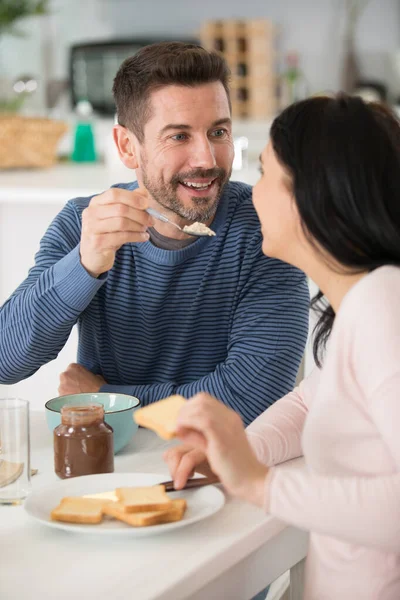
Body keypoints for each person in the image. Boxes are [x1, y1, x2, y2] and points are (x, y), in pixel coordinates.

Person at [164, 94, 400, 600]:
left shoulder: (385, 306)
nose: (251, 195)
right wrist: (235, 455)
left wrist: (259, 485)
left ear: (311, 193)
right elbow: (310, 401)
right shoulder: (365, 303)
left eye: (266, 173)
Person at [0, 42, 309, 427]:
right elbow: (6, 361)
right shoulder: (83, 223)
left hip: (223, 463)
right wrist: (85, 264)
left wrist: (108, 397)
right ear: (127, 147)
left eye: (218, 132)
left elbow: (253, 395)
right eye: (179, 136)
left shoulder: (266, 227)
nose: (206, 160)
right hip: (108, 461)